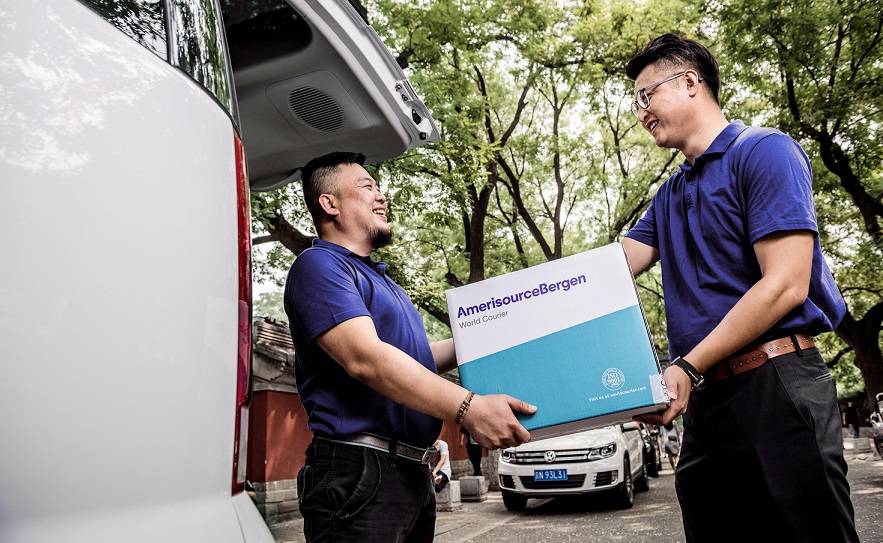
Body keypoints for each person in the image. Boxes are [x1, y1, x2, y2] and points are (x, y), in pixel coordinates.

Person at [624, 34, 858, 542]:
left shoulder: (765, 151)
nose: (640, 112)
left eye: (646, 95)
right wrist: (505, 309)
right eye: (635, 102)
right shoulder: (668, 195)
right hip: (707, 399)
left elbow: (786, 284)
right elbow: (611, 270)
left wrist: (687, 366)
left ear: (690, 82)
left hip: (779, 382)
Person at [284, 151, 536, 543]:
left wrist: (484, 337)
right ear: (330, 204)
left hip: (413, 471)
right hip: (360, 471)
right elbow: (366, 358)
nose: (381, 195)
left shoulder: (385, 283)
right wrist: (468, 407)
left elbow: (416, 359)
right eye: (367, 187)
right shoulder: (319, 265)